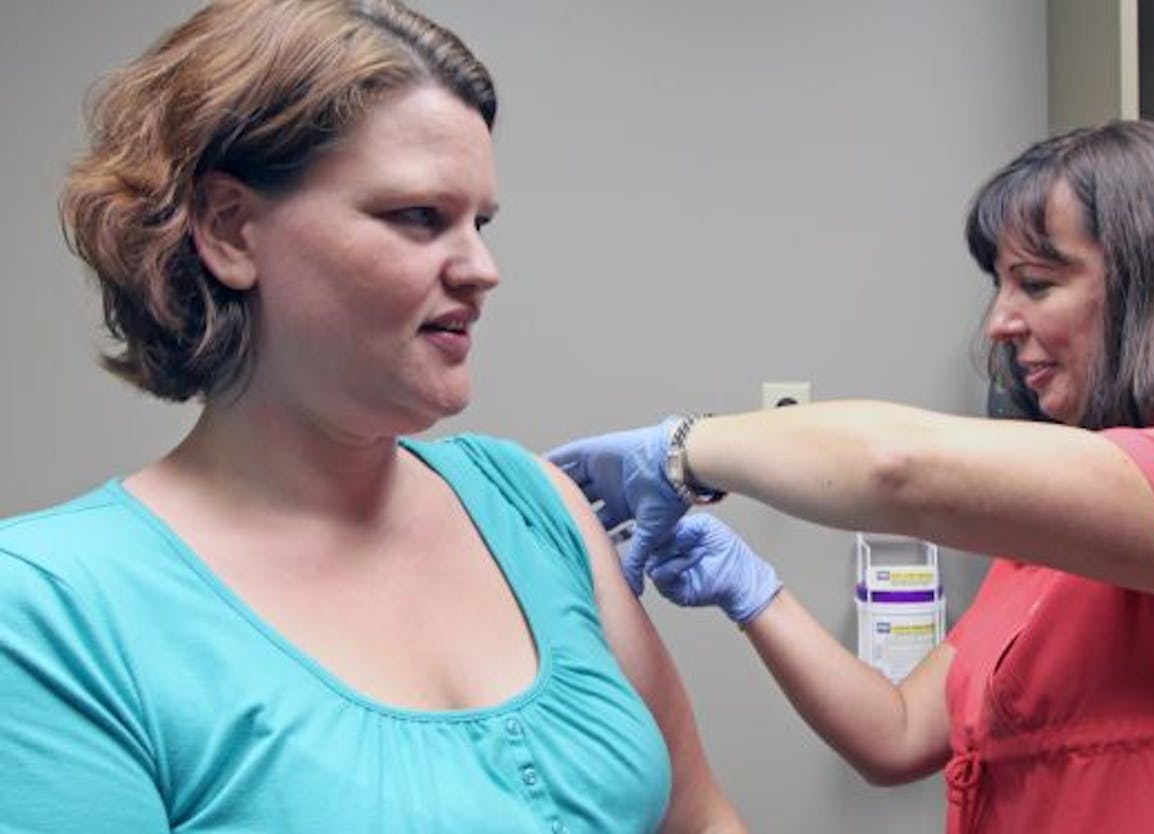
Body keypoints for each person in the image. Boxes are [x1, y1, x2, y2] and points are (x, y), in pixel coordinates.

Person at [0, 2, 745, 832]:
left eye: (480, 223)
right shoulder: (50, 612)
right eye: (418, 217)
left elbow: (701, 818)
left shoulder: (532, 504)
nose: (482, 269)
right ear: (230, 229)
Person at [550, 120, 1154, 833]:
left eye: (1037, 283)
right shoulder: (1058, 547)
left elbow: (895, 465)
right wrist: (752, 591)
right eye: (998, 286)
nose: (999, 322)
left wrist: (685, 448)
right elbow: (898, 734)